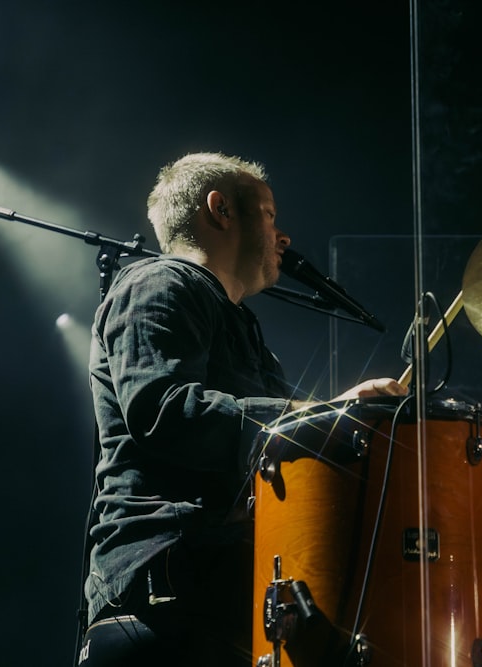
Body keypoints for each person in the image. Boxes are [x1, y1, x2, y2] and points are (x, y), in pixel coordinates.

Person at [77, 152, 405, 667]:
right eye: (270, 213)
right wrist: (328, 414)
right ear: (220, 209)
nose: (284, 235)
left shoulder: (243, 328)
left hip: (217, 584)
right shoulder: (160, 284)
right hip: (168, 585)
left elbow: (279, 447)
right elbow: (165, 411)